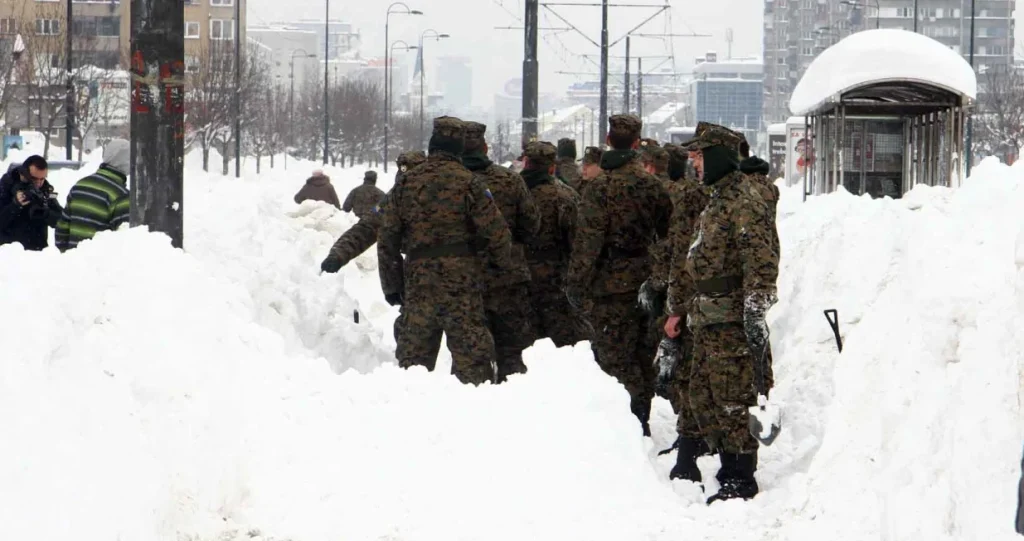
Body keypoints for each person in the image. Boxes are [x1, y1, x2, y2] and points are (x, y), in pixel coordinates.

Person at [663, 122, 778, 503]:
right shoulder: (717, 200)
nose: (694, 163)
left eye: (698, 156)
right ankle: (724, 464)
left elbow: (760, 265)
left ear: (717, 157)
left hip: (730, 319)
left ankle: (740, 477)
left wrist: (753, 318)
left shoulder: (744, 201)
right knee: (704, 394)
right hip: (707, 317)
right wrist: (680, 308)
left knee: (734, 398)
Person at [377, 116, 514, 384]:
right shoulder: (470, 183)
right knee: (472, 366)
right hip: (462, 284)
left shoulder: (406, 183)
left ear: (432, 146)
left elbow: (387, 238)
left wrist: (393, 286)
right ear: (459, 149)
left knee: (412, 367)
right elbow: (497, 235)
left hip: (419, 282)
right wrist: (496, 271)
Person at [565, 114, 673, 437]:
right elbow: (670, 235)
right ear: (637, 145)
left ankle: (624, 428)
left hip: (609, 285)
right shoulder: (653, 186)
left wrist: (575, 284)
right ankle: (641, 416)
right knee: (642, 353)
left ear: (608, 141)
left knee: (615, 358)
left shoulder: (599, 189)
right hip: (645, 281)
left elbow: (588, 243)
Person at [462, 121, 540, 382]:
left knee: (470, 354)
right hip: (507, 276)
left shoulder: (452, 181)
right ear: (485, 147)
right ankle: (513, 402)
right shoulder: (509, 180)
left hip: (464, 278)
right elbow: (531, 225)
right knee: (511, 351)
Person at [520, 141, 583, 348]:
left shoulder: (509, 192)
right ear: (552, 167)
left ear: (526, 162)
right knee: (562, 345)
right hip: (554, 277)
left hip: (516, 278)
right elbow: (576, 242)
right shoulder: (565, 196)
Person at [320, 151, 427, 273]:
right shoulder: (392, 198)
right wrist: (338, 255)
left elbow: (358, 218)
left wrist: (338, 253)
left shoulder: (391, 198)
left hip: (420, 276)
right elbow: (368, 225)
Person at [55, 139, 131, 252]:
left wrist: (67, 255)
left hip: (73, 263)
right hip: (99, 266)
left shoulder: (80, 186)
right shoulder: (121, 196)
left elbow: (62, 228)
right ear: (125, 162)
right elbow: (124, 240)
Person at [0, 155, 62, 251]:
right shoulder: (6, 186)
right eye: (34, 179)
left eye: (42, 179)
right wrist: (15, 205)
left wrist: (46, 213)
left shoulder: (44, 189)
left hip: (37, 252)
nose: (38, 183)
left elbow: (61, 220)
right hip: (10, 253)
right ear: (22, 174)